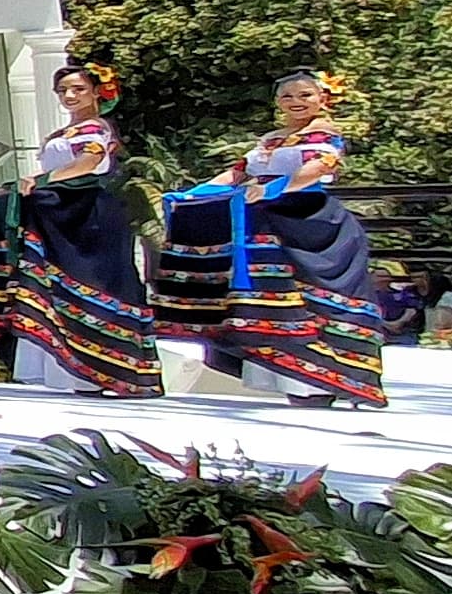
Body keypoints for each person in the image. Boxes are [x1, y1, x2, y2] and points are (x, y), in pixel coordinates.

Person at [155, 68, 385, 408]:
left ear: (323, 98)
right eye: (287, 96)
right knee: (272, 300)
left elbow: (318, 170)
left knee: (311, 299)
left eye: (305, 95)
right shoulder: (271, 139)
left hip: (311, 221)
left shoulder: (325, 136)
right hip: (264, 222)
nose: (296, 102)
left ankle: (328, 377)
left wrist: (271, 188)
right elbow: (237, 172)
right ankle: (290, 375)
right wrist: (194, 195)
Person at [0, 63, 159, 397]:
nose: (69, 96)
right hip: (59, 214)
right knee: (57, 287)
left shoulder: (97, 129)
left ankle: (104, 369)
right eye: (63, 91)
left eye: (78, 89)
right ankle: (71, 369)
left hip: (88, 216)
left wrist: (38, 181)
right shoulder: (61, 134)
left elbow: (87, 164)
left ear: (97, 92)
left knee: (94, 284)